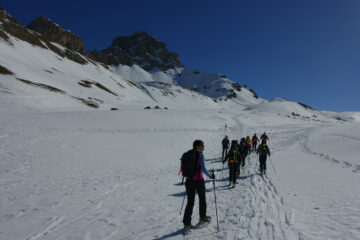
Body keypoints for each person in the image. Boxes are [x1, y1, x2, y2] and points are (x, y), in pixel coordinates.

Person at [183, 140, 215, 232]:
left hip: (189, 181)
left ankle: (187, 224)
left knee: (190, 202)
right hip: (199, 181)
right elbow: (203, 168)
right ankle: (203, 217)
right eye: (202, 145)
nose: (203, 147)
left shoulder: (188, 154)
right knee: (202, 199)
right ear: (198, 146)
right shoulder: (200, 154)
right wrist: (210, 176)